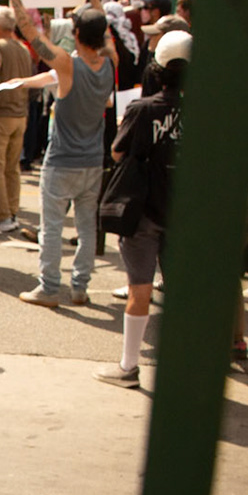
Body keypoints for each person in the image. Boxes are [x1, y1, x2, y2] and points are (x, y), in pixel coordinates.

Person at [7, 0, 115, 306]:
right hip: (92, 162)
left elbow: (30, 32)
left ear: (77, 33)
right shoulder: (110, 62)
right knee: (86, 228)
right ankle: (80, 287)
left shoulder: (68, 65)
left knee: (52, 226)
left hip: (62, 162)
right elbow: (105, 33)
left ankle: (49, 288)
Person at [96, 31, 189, 387]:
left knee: (140, 289)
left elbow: (118, 153)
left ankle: (129, 366)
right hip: (183, 211)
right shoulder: (205, 108)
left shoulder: (141, 108)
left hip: (144, 210)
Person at [0, 6, 33, 236]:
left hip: (0, 112)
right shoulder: (24, 49)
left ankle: (3, 214)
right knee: (12, 167)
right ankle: (11, 211)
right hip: (20, 113)